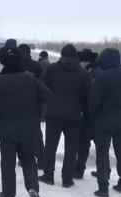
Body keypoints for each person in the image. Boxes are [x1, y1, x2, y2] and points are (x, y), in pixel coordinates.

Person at [0, 46, 50, 197]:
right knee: (29, 158)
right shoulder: (31, 78)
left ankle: (8, 193)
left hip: (7, 128)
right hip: (29, 127)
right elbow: (46, 95)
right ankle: (33, 187)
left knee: (7, 161)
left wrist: (0, 117)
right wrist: (35, 111)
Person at [39, 44, 91, 188]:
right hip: (74, 115)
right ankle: (67, 179)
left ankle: (48, 175)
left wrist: (49, 99)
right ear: (76, 56)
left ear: (61, 54)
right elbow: (87, 95)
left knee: (50, 146)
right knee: (71, 147)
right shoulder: (83, 73)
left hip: (53, 113)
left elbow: (42, 85)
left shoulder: (52, 68)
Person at [89, 48, 121, 197]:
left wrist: (92, 116)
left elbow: (94, 100)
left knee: (102, 154)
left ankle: (103, 188)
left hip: (103, 120)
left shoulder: (102, 77)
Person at [74, 48, 100, 179]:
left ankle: (79, 170)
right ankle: (102, 170)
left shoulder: (92, 73)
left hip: (91, 114)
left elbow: (90, 94)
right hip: (98, 114)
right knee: (100, 144)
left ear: (85, 61)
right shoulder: (96, 70)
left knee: (83, 143)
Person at [18, 44, 45, 169]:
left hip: (18, 103)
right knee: (36, 133)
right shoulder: (36, 65)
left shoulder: (16, 64)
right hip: (34, 104)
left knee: (21, 133)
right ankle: (41, 160)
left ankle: (24, 159)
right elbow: (42, 84)